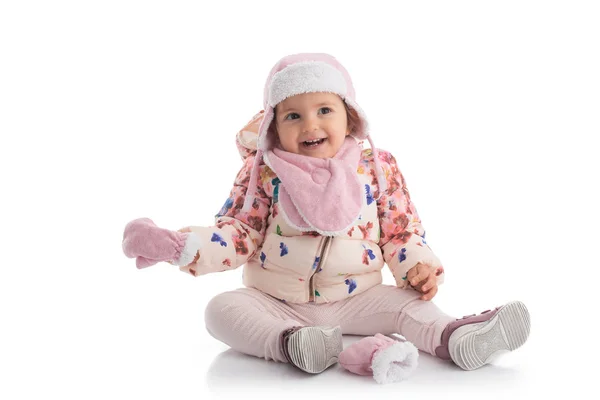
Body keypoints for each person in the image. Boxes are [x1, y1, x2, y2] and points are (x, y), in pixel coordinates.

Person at [123, 53, 530, 374]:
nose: (310, 124)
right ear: (273, 127)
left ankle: (454, 338)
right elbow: (238, 232)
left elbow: (400, 232)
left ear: (349, 116)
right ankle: (295, 342)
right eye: (293, 116)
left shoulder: (375, 167)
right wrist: (184, 246)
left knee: (410, 306)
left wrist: (418, 267)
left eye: (324, 110)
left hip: (360, 298)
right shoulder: (261, 171)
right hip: (276, 300)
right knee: (221, 310)